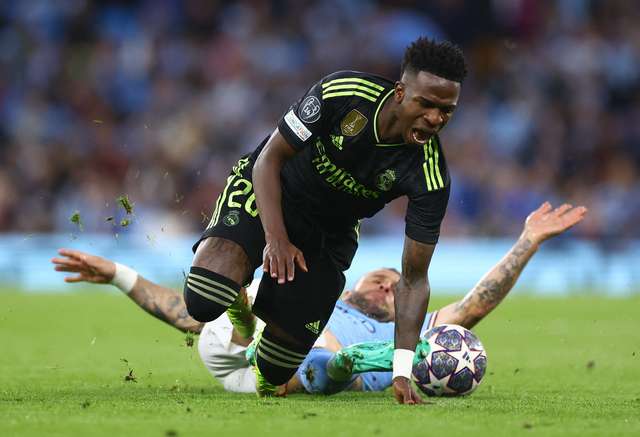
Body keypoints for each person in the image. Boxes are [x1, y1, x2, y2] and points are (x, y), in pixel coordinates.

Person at [182, 37, 467, 403]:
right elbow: (269, 159)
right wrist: (276, 239)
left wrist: (401, 371)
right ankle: (240, 309)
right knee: (204, 299)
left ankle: (265, 356)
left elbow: (413, 279)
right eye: (426, 104)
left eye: (447, 110)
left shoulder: (430, 175)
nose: (435, 118)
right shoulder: (344, 93)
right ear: (400, 92)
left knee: (276, 367)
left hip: (329, 234)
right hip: (273, 189)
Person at [52, 202, 587, 395]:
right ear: (356, 285)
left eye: (395, 288)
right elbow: (182, 313)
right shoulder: (328, 296)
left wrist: (528, 241)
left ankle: (266, 330)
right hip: (250, 350)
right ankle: (247, 316)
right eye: (380, 279)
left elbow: (473, 306)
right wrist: (119, 273)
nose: (387, 286)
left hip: (277, 369)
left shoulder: (410, 331)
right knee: (229, 313)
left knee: (301, 338)